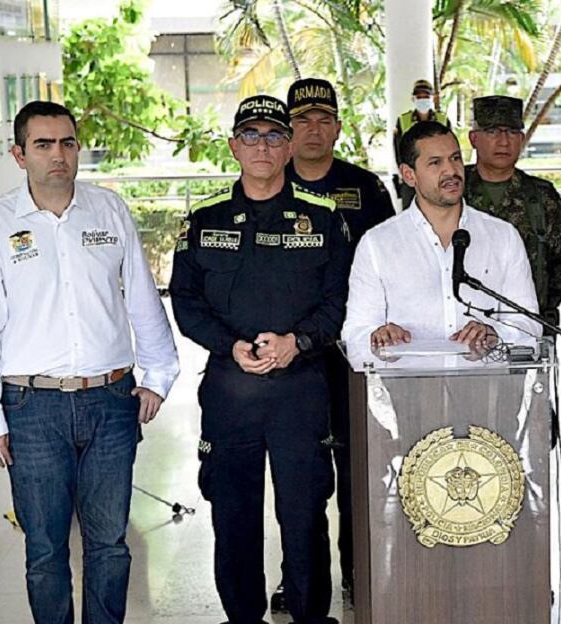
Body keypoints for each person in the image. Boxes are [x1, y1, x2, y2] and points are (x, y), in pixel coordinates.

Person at [0, 100, 180, 624]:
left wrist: (159, 377)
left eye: (67, 143)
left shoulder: (108, 210)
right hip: (31, 409)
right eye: (43, 144)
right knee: (45, 552)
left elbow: (142, 301)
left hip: (111, 401)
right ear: (19, 155)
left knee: (109, 545)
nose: (58, 155)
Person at [169, 94, 350, 624]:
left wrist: (300, 341)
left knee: (303, 515)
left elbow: (338, 302)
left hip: (300, 389)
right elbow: (186, 302)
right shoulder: (204, 222)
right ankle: (243, 617)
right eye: (251, 135)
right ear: (233, 146)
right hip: (231, 391)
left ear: (290, 146)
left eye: (274, 136)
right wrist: (230, 347)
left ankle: (311, 616)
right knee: (234, 516)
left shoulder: (323, 220)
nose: (263, 146)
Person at [267, 77, 395, 612]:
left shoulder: (366, 189)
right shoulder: (267, 184)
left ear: (339, 128)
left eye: (323, 120)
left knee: (358, 472)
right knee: (300, 480)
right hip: (293, 358)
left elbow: (394, 262)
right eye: (301, 121)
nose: (313, 130)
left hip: (351, 357)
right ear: (287, 131)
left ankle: (357, 573)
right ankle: (300, 581)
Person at [342, 120, 540, 350]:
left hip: (488, 382)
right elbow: (355, 332)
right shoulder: (377, 244)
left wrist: (495, 333)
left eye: (455, 158)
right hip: (407, 383)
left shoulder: (503, 236)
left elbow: (529, 323)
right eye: (435, 163)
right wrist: (379, 336)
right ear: (408, 175)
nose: (451, 171)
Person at [464, 94, 561, 331]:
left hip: (528, 328)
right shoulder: (453, 190)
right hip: (461, 325)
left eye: (512, 132)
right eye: (493, 131)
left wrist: (537, 305)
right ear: (474, 138)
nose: (503, 141)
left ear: (522, 139)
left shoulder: (542, 196)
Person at [393, 79, 452, 208]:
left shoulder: (443, 120)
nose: (422, 100)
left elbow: (450, 150)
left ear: (433, 98)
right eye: (418, 97)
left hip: (437, 177)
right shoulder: (403, 121)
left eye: (425, 96)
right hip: (412, 179)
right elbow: (398, 151)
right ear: (413, 99)